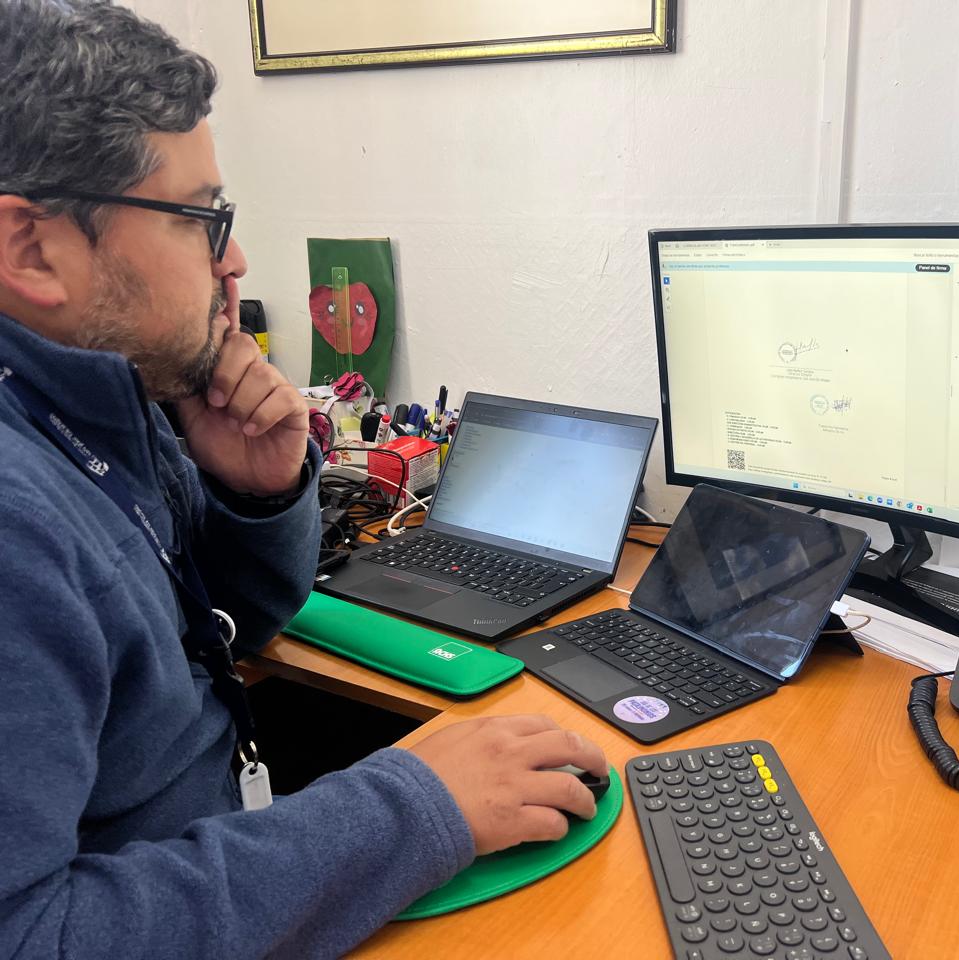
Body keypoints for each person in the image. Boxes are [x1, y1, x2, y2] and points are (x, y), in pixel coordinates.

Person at [0, 2, 608, 956]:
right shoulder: (16, 524)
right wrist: (413, 805)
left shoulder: (103, 398)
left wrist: (259, 494)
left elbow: (227, 629)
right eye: (203, 219)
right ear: (34, 250)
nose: (235, 259)